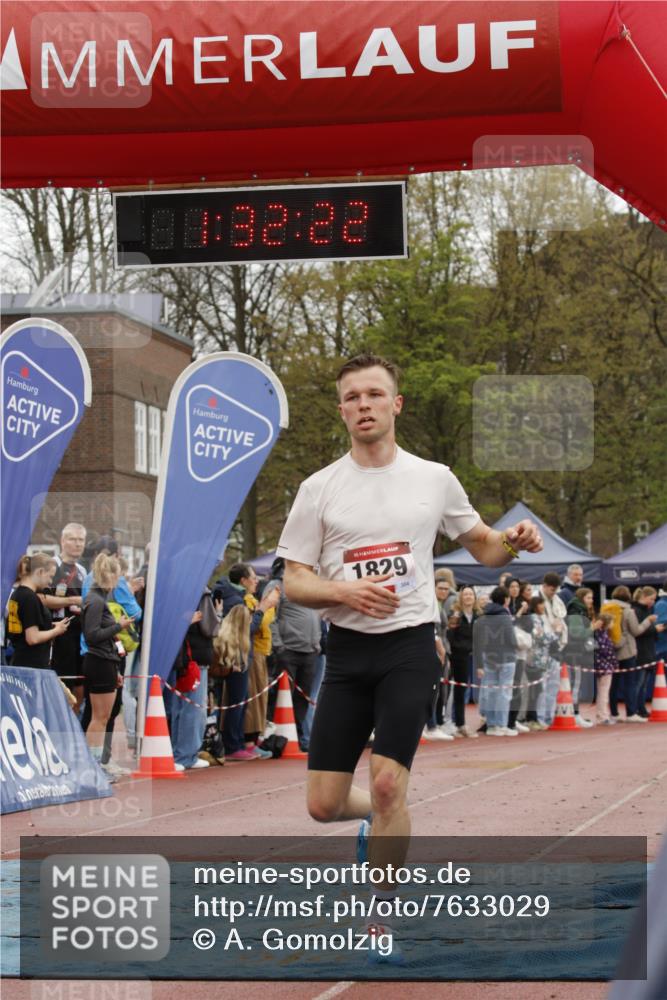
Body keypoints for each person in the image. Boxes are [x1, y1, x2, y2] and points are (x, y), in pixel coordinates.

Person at [275, 353, 543, 910]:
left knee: (388, 783)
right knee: (322, 805)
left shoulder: (434, 478)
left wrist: (515, 540)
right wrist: (343, 591)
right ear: (342, 411)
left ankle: (382, 913)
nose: (363, 405)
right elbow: (295, 581)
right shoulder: (318, 488)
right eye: (352, 397)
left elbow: (487, 549)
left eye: (374, 394)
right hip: (346, 655)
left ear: (395, 404)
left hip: (410, 647)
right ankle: (379, 817)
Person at [81, 553, 134, 781]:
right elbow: (92, 635)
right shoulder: (96, 600)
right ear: (111, 576)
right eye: (119, 577)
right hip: (99, 661)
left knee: (101, 717)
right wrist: (118, 626)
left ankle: (95, 765)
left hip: (106, 661)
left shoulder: (97, 598)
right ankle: (93, 767)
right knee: (99, 718)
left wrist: (117, 670)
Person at [266, 557, 321, 751]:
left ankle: (296, 738)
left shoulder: (308, 586)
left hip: (309, 651)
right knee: (283, 697)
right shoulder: (277, 586)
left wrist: (316, 642)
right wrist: (278, 646)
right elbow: (269, 617)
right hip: (288, 650)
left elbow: (316, 614)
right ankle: (276, 740)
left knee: (302, 699)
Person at [169, 589, 219, 771]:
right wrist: (217, 614)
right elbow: (211, 627)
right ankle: (186, 755)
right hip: (194, 659)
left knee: (180, 708)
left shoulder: (178, 591)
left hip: (184, 658)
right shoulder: (201, 593)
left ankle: (181, 752)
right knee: (192, 708)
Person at [42, 523, 87, 713]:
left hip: (80, 636)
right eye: (72, 539)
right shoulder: (52, 565)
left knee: (80, 685)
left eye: (81, 540)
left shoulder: (83, 570)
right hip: (58, 636)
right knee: (60, 684)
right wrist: (70, 600)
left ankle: (73, 728)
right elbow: (41, 599)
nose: (77, 544)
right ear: (62, 541)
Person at [6, 554, 70, 668]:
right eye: (50, 576)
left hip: (20, 661)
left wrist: (51, 625)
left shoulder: (17, 594)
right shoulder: (30, 598)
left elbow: (25, 625)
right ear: (40, 572)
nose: (50, 582)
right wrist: (57, 631)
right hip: (32, 665)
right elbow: (32, 638)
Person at [606, 585, 657, 722]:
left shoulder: (607, 609)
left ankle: (614, 713)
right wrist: (648, 621)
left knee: (613, 684)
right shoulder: (628, 611)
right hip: (627, 651)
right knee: (630, 683)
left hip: (611, 650)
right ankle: (630, 713)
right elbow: (636, 631)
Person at [477, 586, 518, 736]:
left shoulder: (484, 614)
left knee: (491, 692)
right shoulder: (504, 615)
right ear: (506, 599)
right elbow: (511, 637)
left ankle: (492, 724)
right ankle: (501, 724)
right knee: (504, 693)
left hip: (489, 656)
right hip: (506, 657)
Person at [446, 586, 480, 737]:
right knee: (452, 690)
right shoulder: (455, 614)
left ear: (474, 597)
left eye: (470, 594)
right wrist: (464, 648)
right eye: (465, 594)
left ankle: (459, 723)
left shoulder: (478, 615)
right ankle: (450, 722)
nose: (468, 597)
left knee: (462, 690)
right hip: (455, 656)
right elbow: (450, 636)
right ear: (461, 597)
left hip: (469, 657)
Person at [538, 573, 568, 727]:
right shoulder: (537, 599)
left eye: (555, 590)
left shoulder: (557, 601)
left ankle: (549, 717)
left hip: (556, 647)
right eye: (551, 590)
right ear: (544, 586)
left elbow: (562, 620)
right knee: (541, 686)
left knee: (553, 685)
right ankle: (540, 717)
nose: (553, 593)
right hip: (541, 648)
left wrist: (561, 637)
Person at [564, 587, 596, 727]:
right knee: (575, 685)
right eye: (589, 598)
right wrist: (592, 628)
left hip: (575, 652)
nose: (591, 600)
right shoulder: (576, 612)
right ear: (582, 598)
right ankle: (575, 715)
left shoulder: (579, 610)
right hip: (574, 653)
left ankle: (573, 714)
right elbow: (576, 634)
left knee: (574, 685)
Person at [632, 586, 665, 719]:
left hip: (649, 650)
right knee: (638, 683)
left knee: (644, 684)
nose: (653, 602)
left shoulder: (647, 610)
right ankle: (634, 709)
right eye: (651, 599)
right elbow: (637, 631)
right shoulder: (636, 611)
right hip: (641, 651)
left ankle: (641, 709)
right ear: (644, 597)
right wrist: (654, 629)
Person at [593, 612, 618, 725]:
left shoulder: (600, 634)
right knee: (604, 692)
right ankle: (603, 716)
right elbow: (607, 651)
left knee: (602, 692)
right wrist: (614, 663)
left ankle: (602, 715)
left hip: (601, 665)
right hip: (605, 666)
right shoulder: (602, 635)